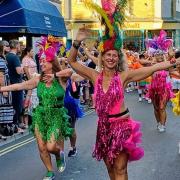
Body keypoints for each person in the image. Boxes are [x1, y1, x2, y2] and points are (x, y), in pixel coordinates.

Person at [67, 26, 180, 179]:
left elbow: (153, 68)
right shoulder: (94, 75)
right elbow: (72, 61)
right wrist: (77, 41)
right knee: (110, 168)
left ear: (118, 59)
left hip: (121, 126)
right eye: (108, 55)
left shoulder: (123, 77)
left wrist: (171, 62)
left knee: (120, 169)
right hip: (103, 127)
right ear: (102, 57)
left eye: (114, 55)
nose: (111, 58)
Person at [0, 37, 73, 180]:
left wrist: (55, 75)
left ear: (52, 63)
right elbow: (19, 86)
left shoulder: (60, 79)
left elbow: (69, 71)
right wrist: (2, 88)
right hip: (40, 115)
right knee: (41, 146)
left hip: (56, 115)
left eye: (45, 60)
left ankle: (59, 154)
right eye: (41, 60)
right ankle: (49, 171)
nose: (42, 62)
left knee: (51, 147)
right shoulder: (37, 79)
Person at [6, 40, 24, 132]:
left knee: (11, 105)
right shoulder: (15, 57)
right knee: (17, 106)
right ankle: (16, 126)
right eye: (19, 45)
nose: (20, 47)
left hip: (9, 85)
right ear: (16, 46)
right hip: (17, 84)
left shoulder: (7, 56)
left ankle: (12, 125)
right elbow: (18, 71)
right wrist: (23, 69)